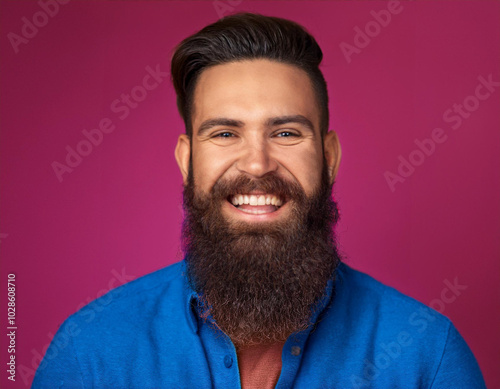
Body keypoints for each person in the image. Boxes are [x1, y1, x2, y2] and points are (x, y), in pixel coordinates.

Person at [32, 12, 486, 389]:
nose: (256, 164)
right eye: (225, 133)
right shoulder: (89, 355)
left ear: (328, 158)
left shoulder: (428, 359)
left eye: (286, 133)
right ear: (187, 161)